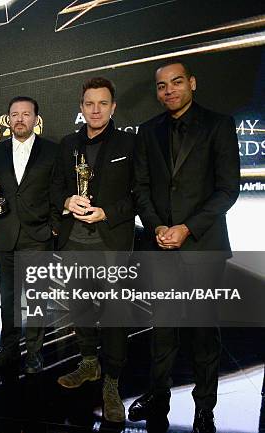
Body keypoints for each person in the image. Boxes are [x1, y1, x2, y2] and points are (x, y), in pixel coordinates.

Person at [129, 60, 240, 433]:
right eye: (162, 86)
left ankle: (204, 408)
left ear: (192, 82)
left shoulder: (219, 125)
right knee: (161, 331)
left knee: (203, 333)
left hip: (203, 248)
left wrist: (187, 229)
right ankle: (158, 396)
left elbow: (228, 189)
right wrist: (158, 225)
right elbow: (140, 188)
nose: (169, 90)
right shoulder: (147, 131)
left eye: (176, 82)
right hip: (159, 246)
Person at [54, 77, 136, 423]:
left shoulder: (130, 143)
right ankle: (89, 363)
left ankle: (113, 384)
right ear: (81, 107)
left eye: (103, 103)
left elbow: (140, 194)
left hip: (111, 245)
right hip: (74, 243)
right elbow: (55, 187)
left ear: (113, 107)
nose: (96, 110)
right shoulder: (67, 144)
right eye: (89, 104)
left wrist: (108, 212)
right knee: (81, 309)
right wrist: (66, 200)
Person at [0, 96, 63, 374]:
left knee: (36, 299)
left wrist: (53, 227)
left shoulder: (53, 151)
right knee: (8, 297)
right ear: (8, 119)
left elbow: (58, 191)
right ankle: (9, 348)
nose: (19, 119)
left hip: (38, 234)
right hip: (5, 232)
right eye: (14, 114)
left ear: (35, 119)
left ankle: (34, 352)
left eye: (25, 114)